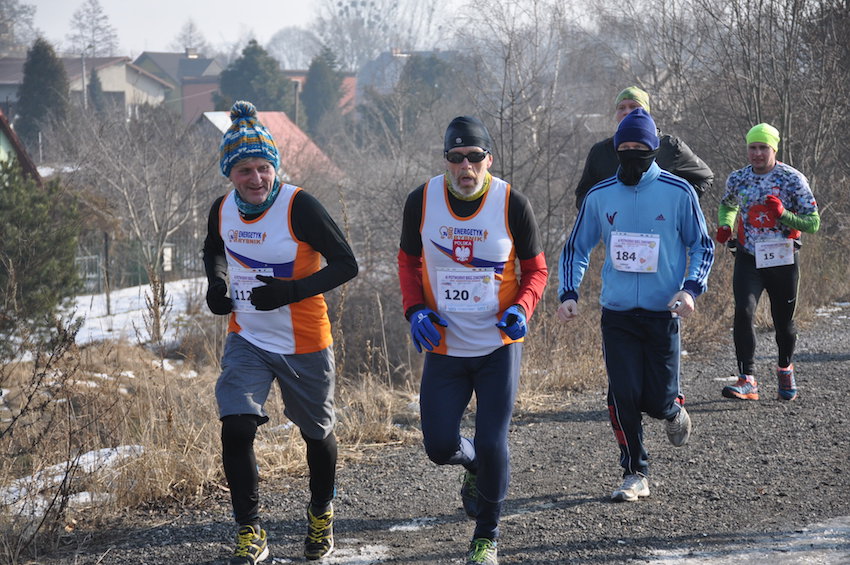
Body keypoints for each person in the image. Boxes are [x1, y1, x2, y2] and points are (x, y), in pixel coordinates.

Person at [202, 100, 358, 564]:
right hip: (247, 336)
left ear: (275, 166)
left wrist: (291, 291)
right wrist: (216, 283)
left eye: (263, 168)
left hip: (303, 340)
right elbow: (214, 249)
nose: (256, 179)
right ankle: (250, 531)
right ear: (230, 173)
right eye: (244, 170)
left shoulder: (299, 206)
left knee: (317, 435)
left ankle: (321, 512)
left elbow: (346, 264)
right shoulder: (222, 209)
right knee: (236, 426)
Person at [397, 116, 548, 565]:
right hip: (445, 346)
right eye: (456, 157)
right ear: (446, 160)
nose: (465, 166)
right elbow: (407, 263)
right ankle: (474, 466)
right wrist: (414, 310)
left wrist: (522, 309)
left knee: (493, 440)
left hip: (497, 346)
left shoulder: (511, 203)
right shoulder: (422, 200)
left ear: (488, 160)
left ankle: (487, 536)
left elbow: (536, 270)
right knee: (438, 446)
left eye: (474, 157)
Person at [557, 108, 714, 502]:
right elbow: (576, 247)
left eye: (639, 147)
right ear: (616, 150)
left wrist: (690, 290)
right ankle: (635, 471)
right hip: (618, 312)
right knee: (622, 393)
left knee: (657, 400)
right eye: (624, 147)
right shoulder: (599, 195)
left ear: (653, 150)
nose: (631, 153)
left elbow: (702, 245)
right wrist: (569, 292)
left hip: (664, 311)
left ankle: (672, 409)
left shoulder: (679, 192)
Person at [716, 123, 820, 402]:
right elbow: (728, 204)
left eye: (763, 147)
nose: (757, 153)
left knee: (783, 322)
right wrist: (726, 225)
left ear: (774, 149)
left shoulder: (792, 179)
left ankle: (785, 368)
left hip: (783, 259)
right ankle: (747, 379)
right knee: (744, 311)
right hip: (749, 257)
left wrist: (784, 214)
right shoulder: (738, 178)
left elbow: (813, 223)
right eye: (753, 147)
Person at [574, 85, 714, 209]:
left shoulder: (671, 147)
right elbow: (584, 193)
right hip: (615, 226)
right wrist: (600, 212)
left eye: (634, 107)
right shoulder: (601, 151)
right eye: (621, 108)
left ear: (647, 114)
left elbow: (704, 176)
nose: (627, 112)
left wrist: (676, 205)